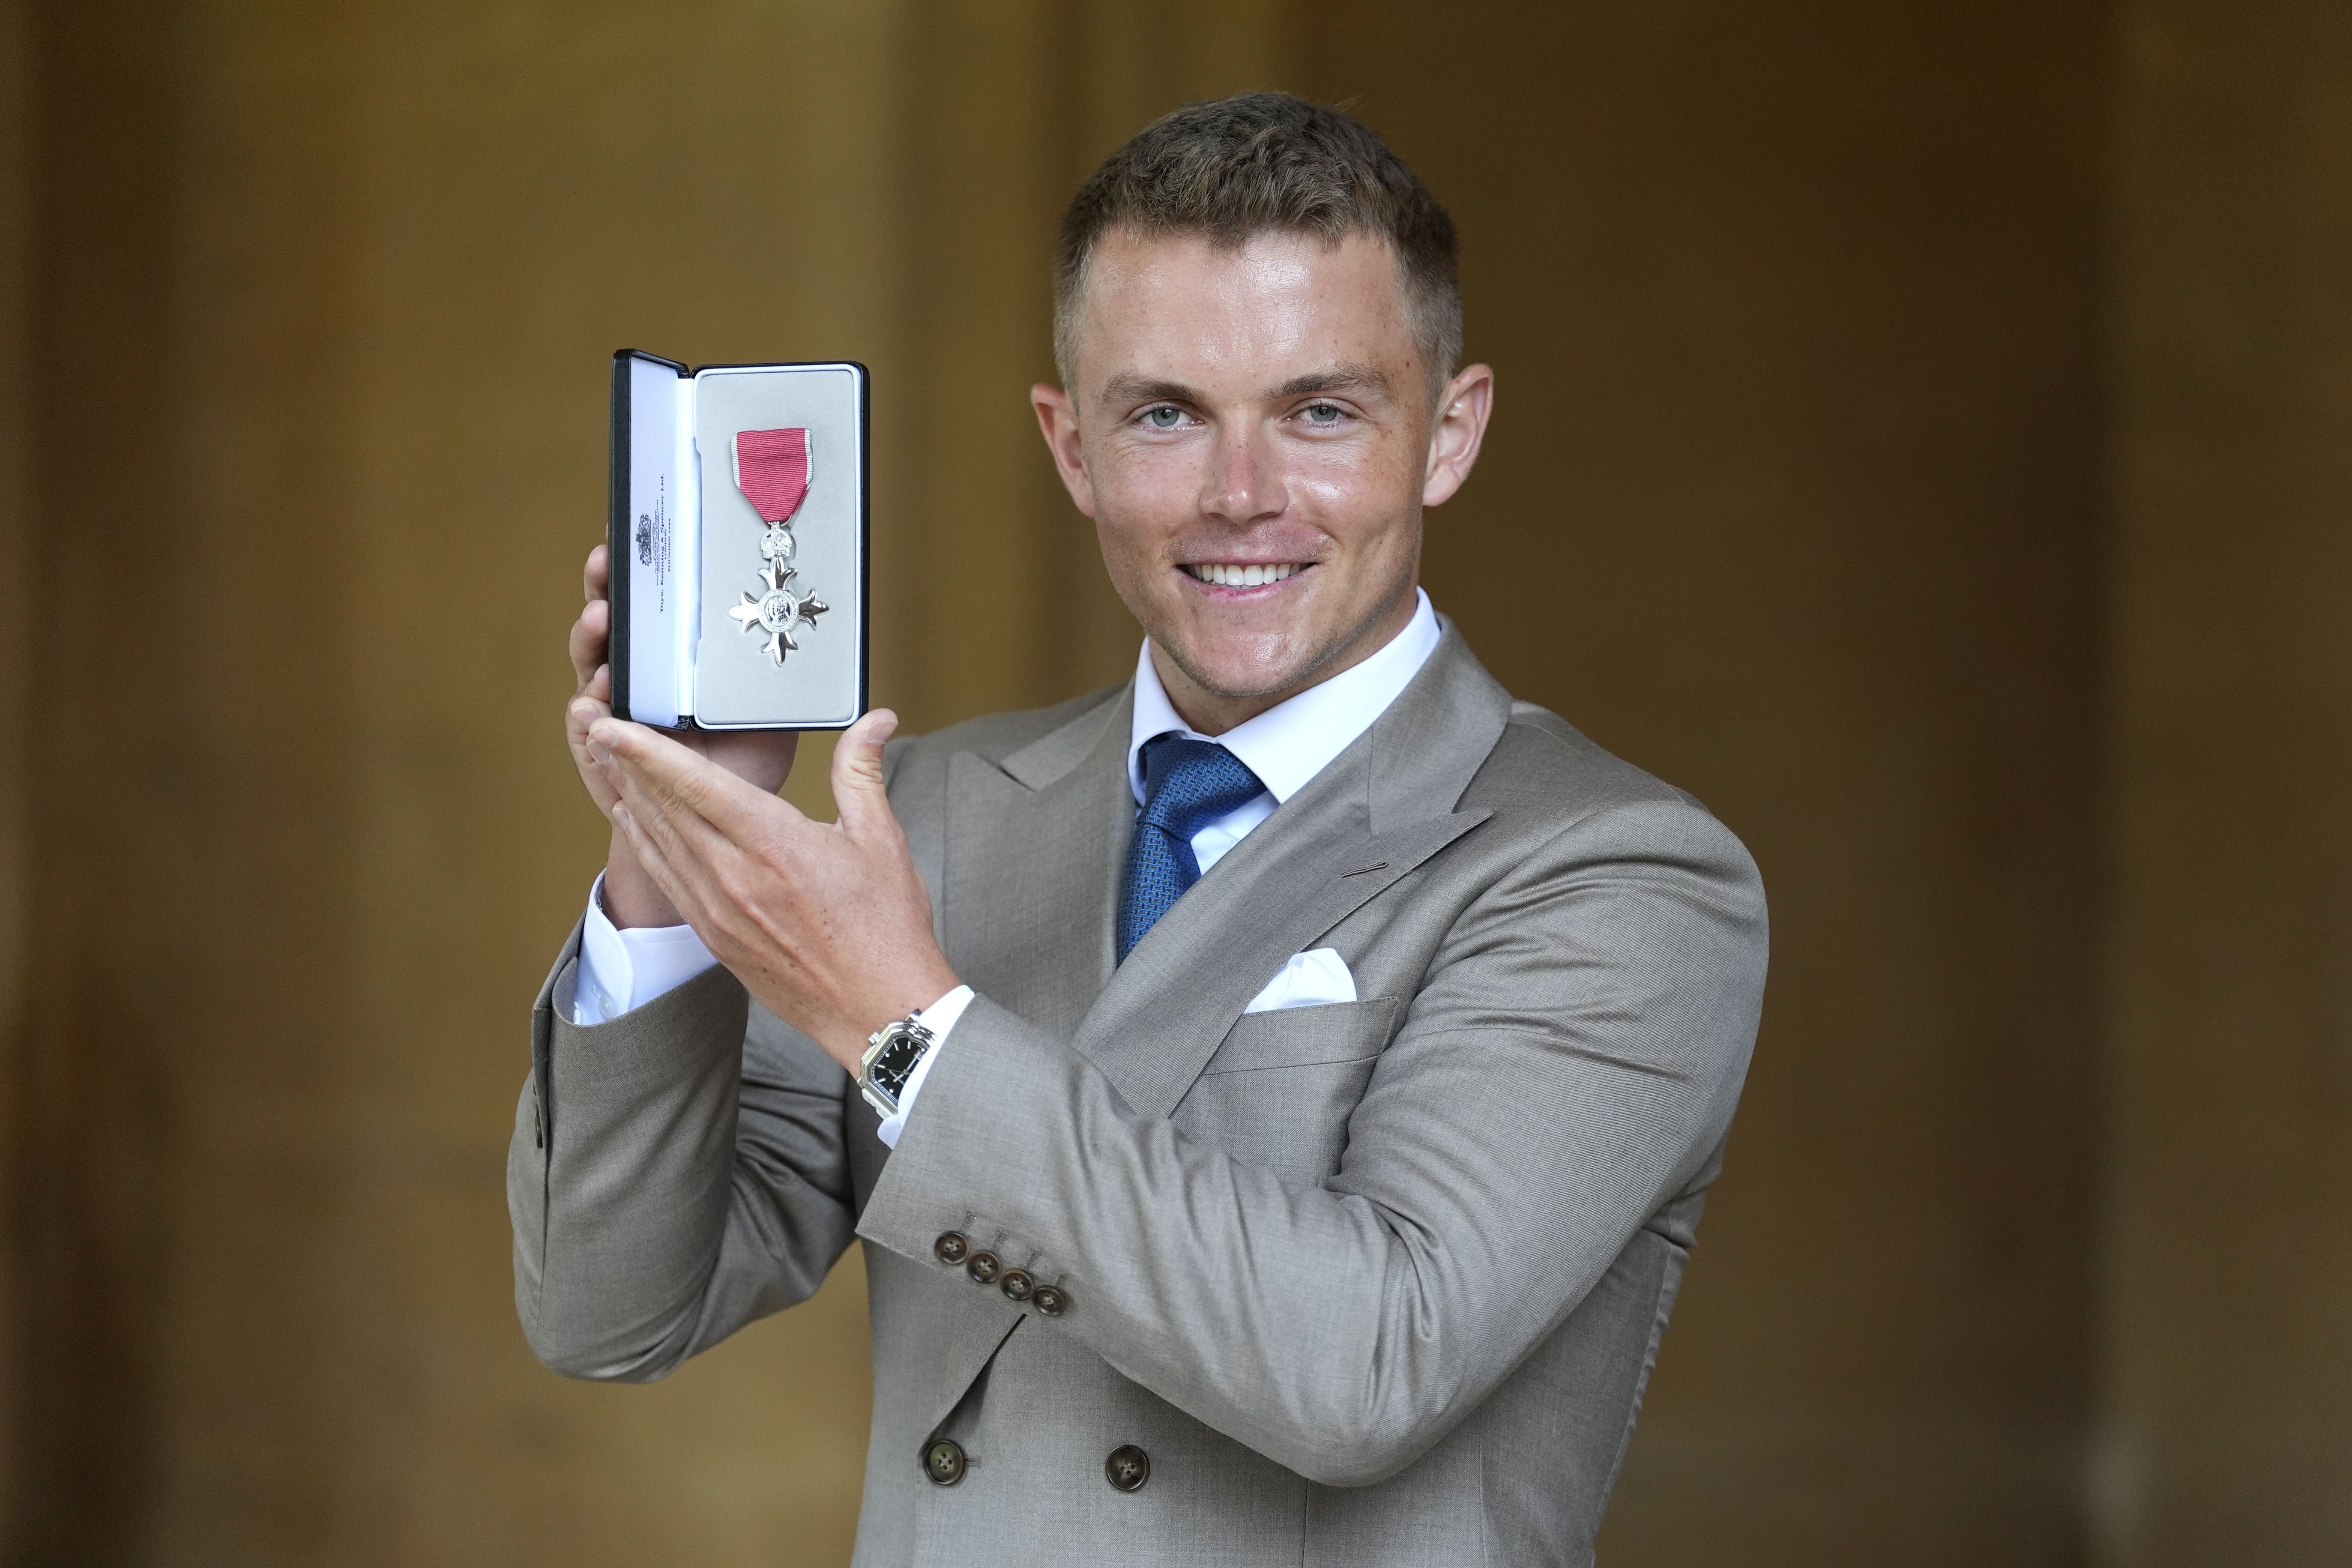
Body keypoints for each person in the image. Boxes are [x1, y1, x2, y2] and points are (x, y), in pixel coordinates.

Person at [512, 93, 1767, 1568]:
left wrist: (906, 1024)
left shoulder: (1616, 872)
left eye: (1319, 411)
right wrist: (675, 843)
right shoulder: (933, 815)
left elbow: (1368, 1365)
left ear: (1447, 432)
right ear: (1071, 448)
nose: (1241, 497)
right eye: (1164, 413)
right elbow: (614, 1311)